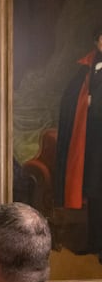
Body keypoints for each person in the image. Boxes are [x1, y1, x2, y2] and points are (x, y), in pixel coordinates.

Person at [55, 27, 102, 259]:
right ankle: (95, 244)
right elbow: (70, 98)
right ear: (96, 41)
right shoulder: (86, 67)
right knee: (95, 194)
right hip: (93, 142)